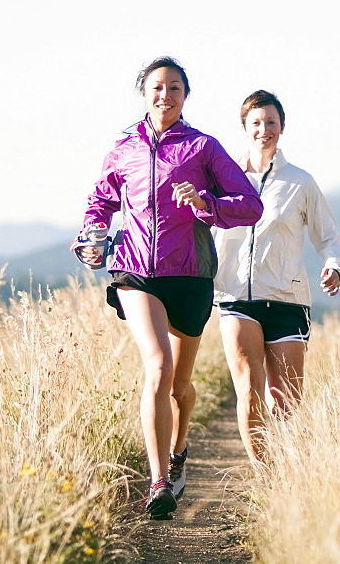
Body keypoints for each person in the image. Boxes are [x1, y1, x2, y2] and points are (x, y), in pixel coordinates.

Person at [74, 57, 263, 519]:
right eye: (157, 87)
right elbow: (100, 201)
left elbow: (250, 206)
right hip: (134, 271)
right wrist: (92, 236)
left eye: (174, 88)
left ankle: (180, 447)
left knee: (179, 385)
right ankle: (158, 482)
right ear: (143, 94)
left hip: (190, 275)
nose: (165, 95)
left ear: (185, 96)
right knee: (157, 366)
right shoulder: (123, 148)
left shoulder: (203, 148)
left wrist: (206, 202)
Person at [213, 90, 340, 467]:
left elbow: (329, 235)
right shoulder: (223, 179)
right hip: (236, 297)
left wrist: (333, 265)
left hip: (288, 300)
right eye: (256, 123)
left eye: (271, 122)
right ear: (244, 128)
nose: (264, 129)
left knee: (286, 400)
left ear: (282, 127)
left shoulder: (300, 182)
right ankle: (266, 475)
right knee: (251, 394)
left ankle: (288, 473)